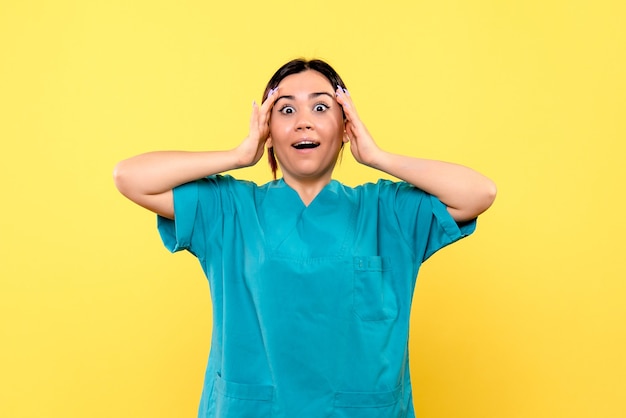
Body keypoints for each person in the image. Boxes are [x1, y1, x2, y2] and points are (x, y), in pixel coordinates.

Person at [113, 58, 496, 418]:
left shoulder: (386, 211)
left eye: (320, 107)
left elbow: (479, 193)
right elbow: (130, 177)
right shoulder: (230, 208)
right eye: (286, 110)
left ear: (346, 127)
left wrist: (379, 157)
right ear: (268, 130)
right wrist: (238, 154)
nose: (303, 122)